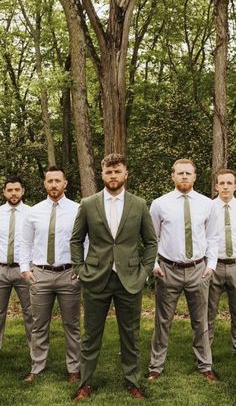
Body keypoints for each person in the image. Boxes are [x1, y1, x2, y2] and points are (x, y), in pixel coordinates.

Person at [70, 153, 157, 401]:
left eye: (117, 171)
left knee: (130, 334)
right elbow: (76, 240)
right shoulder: (88, 204)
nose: (113, 176)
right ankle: (85, 383)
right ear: (102, 174)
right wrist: (80, 268)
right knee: (90, 334)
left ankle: (132, 382)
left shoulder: (139, 204)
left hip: (129, 279)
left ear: (125, 174)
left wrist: (145, 271)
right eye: (109, 172)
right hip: (96, 277)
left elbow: (151, 242)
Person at [148, 158, 219, 382]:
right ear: (173, 176)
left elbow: (213, 237)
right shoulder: (159, 204)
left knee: (201, 320)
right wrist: (154, 264)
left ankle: (205, 365)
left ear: (195, 176)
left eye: (188, 173)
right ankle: (156, 366)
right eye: (180, 173)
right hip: (168, 270)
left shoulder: (207, 204)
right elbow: (152, 238)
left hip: (198, 269)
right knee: (163, 321)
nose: (185, 177)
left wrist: (211, 265)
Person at [20, 166, 81, 382]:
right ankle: (37, 367)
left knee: (72, 324)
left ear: (65, 183)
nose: (53, 184)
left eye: (57, 180)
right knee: (38, 324)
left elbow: (88, 241)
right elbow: (25, 242)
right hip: (41, 275)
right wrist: (25, 269)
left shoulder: (78, 210)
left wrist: (81, 270)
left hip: (69, 274)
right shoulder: (33, 212)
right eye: (50, 181)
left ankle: (74, 368)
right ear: (44, 184)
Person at [0, 176, 32, 350]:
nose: (13, 193)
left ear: (22, 191)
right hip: (1, 270)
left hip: (25, 270)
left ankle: (36, 354)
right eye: (10, 190)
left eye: (17, 190)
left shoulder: (32, 213)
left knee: (30, 313)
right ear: (4, 192)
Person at [208, 168, 236, 353]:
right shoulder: (207, 208)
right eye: (222, 183)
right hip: (214, 266)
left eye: (229, 183)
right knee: (208, 311)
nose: (225, 187)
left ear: (235, 186)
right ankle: (204, 350)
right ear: (216, 186)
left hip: (235, 265)